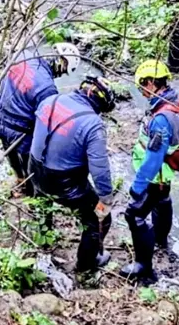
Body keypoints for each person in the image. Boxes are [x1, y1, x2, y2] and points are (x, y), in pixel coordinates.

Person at [29, 76, 117, 272]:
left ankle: (43, 236)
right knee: (96, 219)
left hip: (34, 169)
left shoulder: (50, 100)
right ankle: (85, 265)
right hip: (65, 183)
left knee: (42, 200)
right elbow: (99, 168)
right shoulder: (92, 123)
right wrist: (105, 199)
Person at [121, 60, 179, 284]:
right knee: (163, 201)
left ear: (151, 83)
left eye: (142, 85)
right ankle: (161, 240)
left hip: (154, 176)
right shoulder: (175, 103)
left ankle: (144, 268)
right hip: (165, 176)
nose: (141, 90)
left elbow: (153, 158)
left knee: (134, 215)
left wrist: (137, 185)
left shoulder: (161, 119)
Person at [0, 43, 81, 196]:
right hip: (20, 133)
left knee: (10, 153)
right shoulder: (47, 89)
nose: (60, 74)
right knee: (32, 168)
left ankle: (19, 179)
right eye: (63, 71)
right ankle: (32, 195)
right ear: (62, 63)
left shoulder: (23, 55)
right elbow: (46, 124)